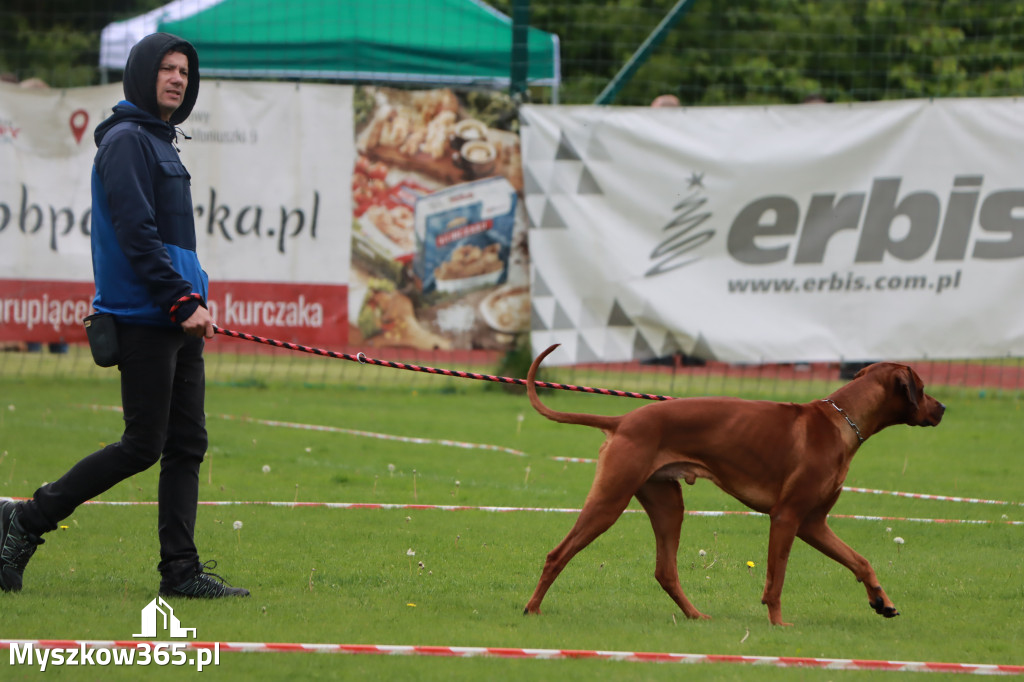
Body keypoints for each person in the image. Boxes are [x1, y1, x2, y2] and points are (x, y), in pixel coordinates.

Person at [0, 33, 248, 598]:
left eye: (185, 70)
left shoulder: (162, 141)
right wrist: (182, 300)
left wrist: (195, 295)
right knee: (143, 444)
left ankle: (180, 574)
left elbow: (174, 244)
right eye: (167, 67)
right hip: (145, 315)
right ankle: (26, 519)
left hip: (176, 317)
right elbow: (137, 235)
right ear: (142, 73)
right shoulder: (127, 141)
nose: (178, 78)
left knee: (188, 445)